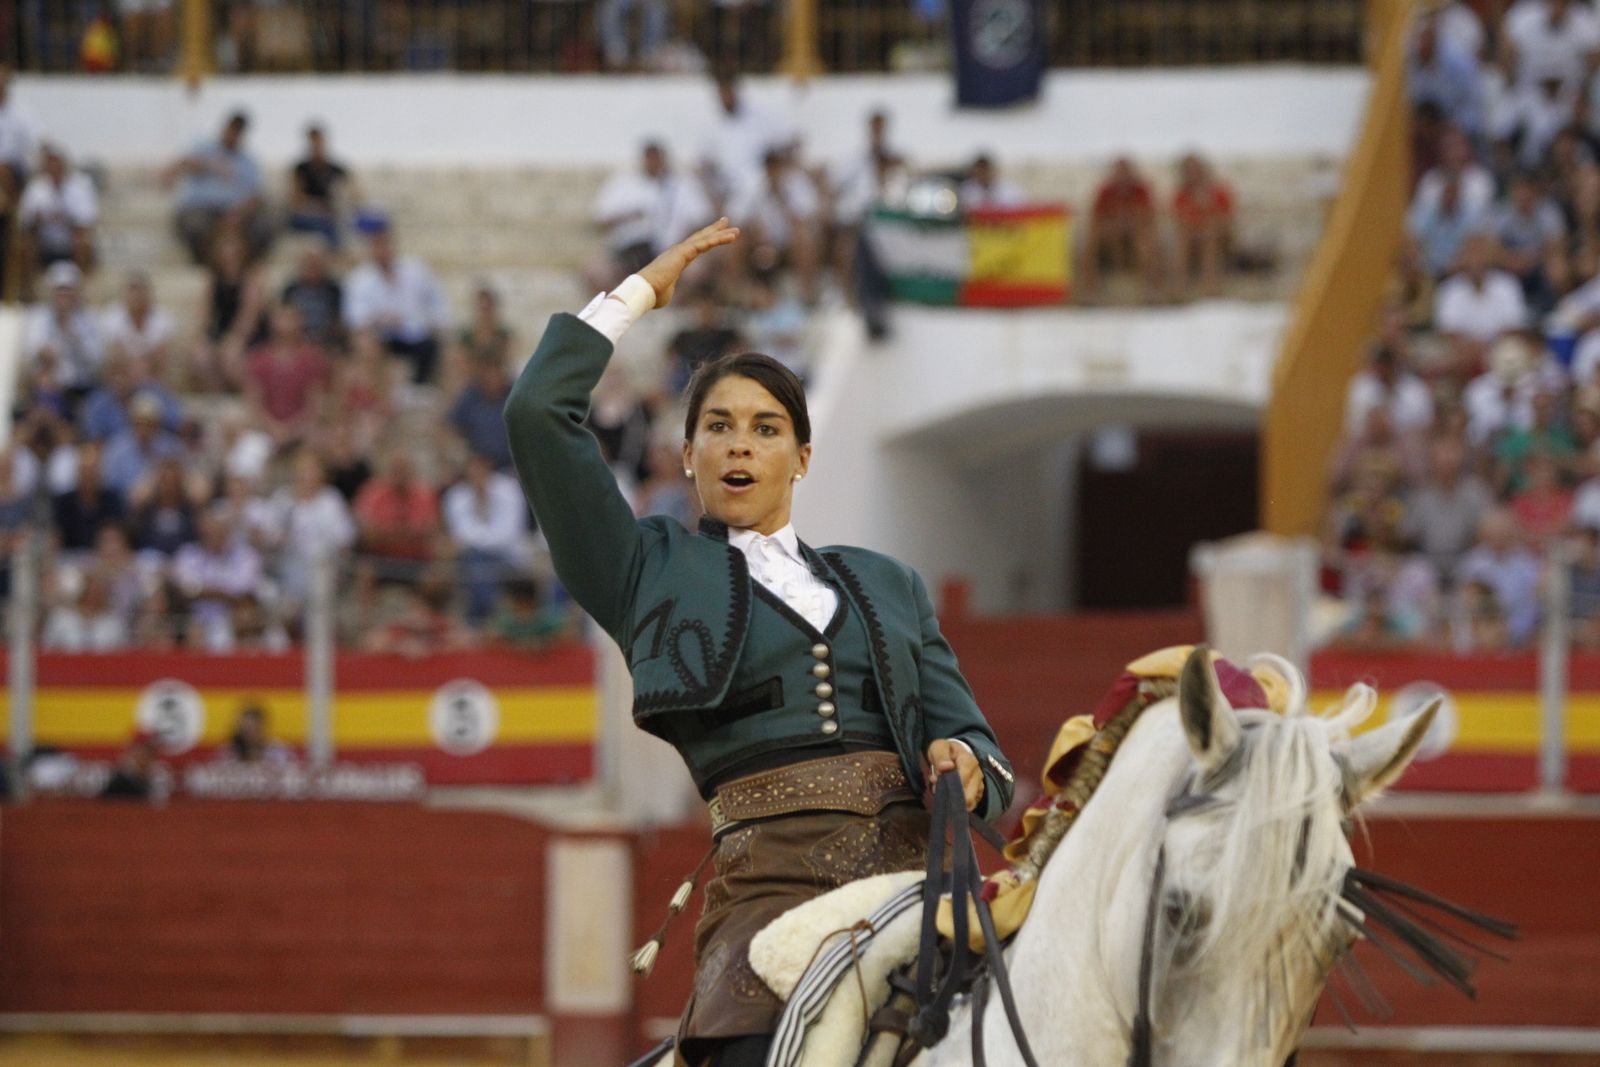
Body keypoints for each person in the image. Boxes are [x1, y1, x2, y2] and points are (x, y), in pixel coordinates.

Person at [503, 220, 1015, 1067]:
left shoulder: (889, 582)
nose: (741, 441)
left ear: (801, 457)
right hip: (771, 899)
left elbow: (985, 758)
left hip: (922, 890)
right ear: (689, 452)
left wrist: (963, 759)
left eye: (767, 427)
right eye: (720, 425)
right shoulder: (647, 569)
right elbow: (536, 413)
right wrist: (639, 295)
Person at [342, 217, 449, 383]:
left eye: (385, 244)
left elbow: (436, 301)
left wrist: (438, 323)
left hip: (415, 334)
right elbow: (354, 318)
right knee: (367, 344)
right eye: (377, 245)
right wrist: (378, 319)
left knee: (434, 347)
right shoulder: (359, 279)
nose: (382, 250)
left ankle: (419, 387)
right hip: (381, 337)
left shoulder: (416, 270)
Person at [164, 109, 271, 264]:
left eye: (237, 132)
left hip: (234, 214)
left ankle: (245, 266)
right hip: (201, 210)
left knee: (263, 225)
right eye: (231, 130)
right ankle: (205, 263)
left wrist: (238, 215)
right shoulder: (204, 148)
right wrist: (211, 165)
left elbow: (256, 195)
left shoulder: (248, 161)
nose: (232, 135)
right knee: (194, 225)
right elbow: (184, 164)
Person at [16, 142, 98, 293]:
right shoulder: (35, 188)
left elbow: (86, 221)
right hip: (44, 245)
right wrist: (39, 220)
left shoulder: (80, 186)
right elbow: (24, 221)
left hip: (70, 244)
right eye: (50, 165)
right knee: (24, 245)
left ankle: (82, 291)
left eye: (57, 165)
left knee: (83, 242)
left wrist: (65, 219)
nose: (54, 169)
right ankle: (26, 291)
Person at [288, 123, 352, 248]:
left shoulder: (336, 169)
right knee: (327, 227)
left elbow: (354, 192)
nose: (317, 146)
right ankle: (335, 251)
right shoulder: (301, 169)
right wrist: (320, 206)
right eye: (314, 143)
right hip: (307, 215)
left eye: (319, 142)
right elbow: (296, 200)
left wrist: (341, 201)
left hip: (332, 214)